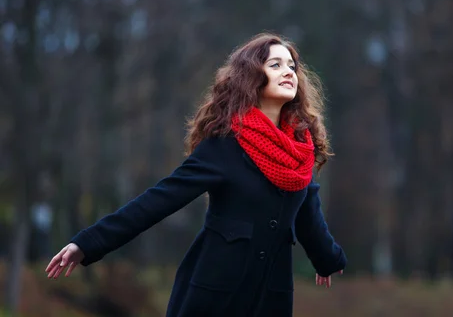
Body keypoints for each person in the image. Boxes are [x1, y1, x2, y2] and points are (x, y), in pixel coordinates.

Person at [45, 33, 347, 317]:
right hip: (215, 294)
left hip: (270, 298)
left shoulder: (299, 150)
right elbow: (159, 200)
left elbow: (308, 215)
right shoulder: (225, 145)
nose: (289, 72)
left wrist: (327, 258)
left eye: (292, 66)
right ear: (251, 76)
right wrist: (87, 244)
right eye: (275, 64)